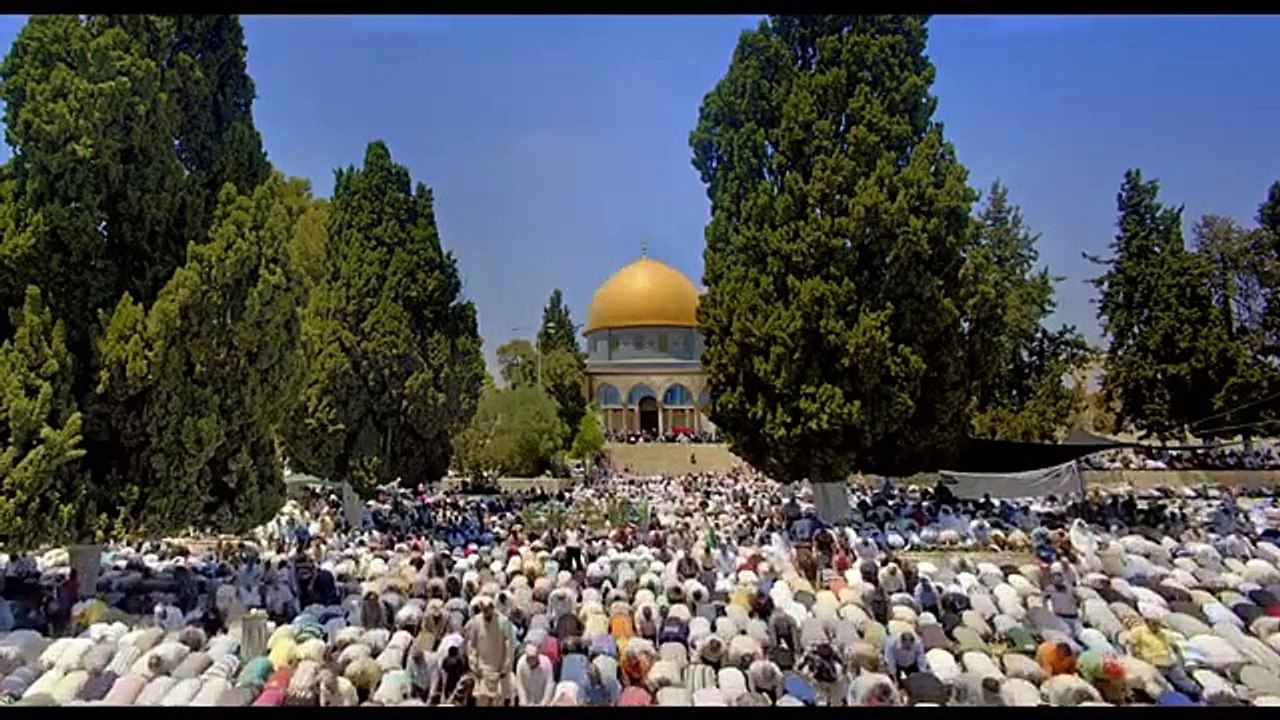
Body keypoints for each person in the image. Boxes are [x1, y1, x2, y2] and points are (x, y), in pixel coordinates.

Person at [465, 596, 514, 706]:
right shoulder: (476, 621)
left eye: (487, 609)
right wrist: (474, 665)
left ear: (492, 608)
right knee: (482, 700)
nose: (485, 613)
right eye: (483, 610)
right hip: (482, 670)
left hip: (499, 669)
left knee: (498, 700)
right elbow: (472, 645)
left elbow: (509, 646)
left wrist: (505, 666)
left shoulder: (503, 622)